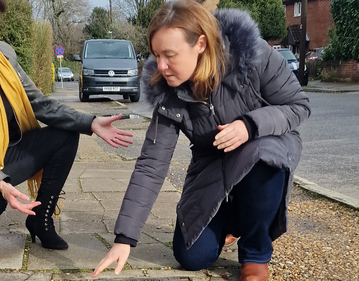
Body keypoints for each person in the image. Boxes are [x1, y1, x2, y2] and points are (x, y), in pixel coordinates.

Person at [92, 1, 310, 280]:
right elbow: (151, 165)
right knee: (192, 257)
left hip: (263, 148)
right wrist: (125, 238)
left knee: (264, 155)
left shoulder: (255, 56)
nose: (161, 65)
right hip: (212, 165)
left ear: (201, 44)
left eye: (169, 55)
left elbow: (298, 106)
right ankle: (235, 218)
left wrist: (249, 125)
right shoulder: (167, 92)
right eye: (156, 54)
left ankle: (255, 255)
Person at [0, 0, 133, 251]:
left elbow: (38, 103)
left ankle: (41, 221)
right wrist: (1, 183)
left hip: (0, 155)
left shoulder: (2, 54)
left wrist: (89, 122)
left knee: (65, 135)